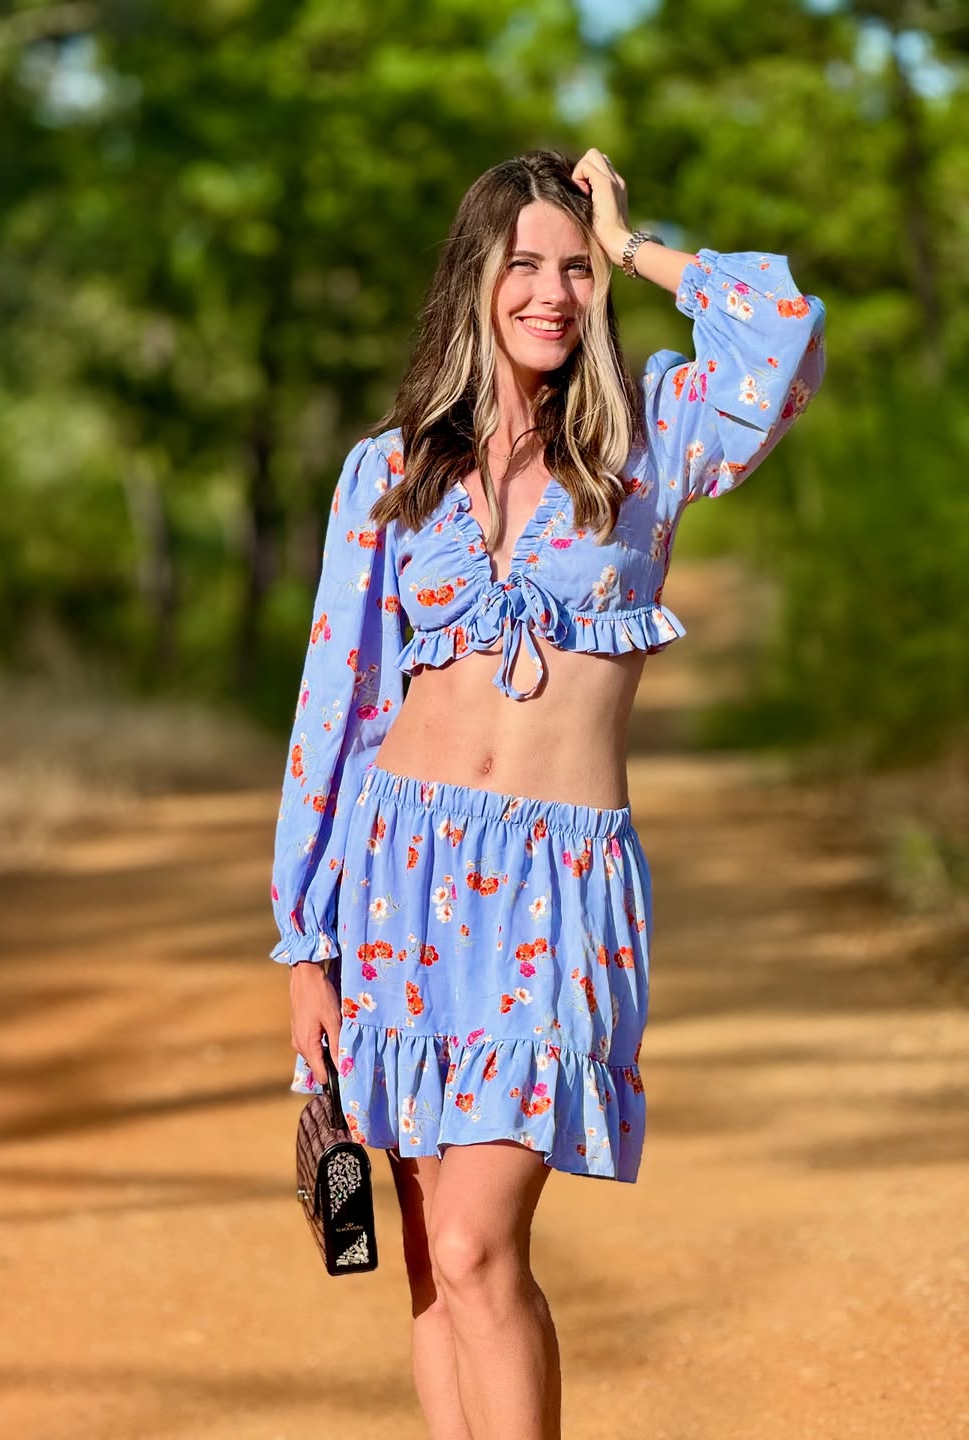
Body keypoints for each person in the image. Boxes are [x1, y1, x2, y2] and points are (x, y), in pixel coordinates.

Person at [269, 147, 826, 1439]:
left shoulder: (654, 438)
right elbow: (335, 709)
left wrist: (636, 242)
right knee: (432, 1256)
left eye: (576, 270)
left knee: (478, 1241)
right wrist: (306, 945)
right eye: (524, 264)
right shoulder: (390, 472)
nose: (553, 293)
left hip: (559, 888)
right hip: (398, 876)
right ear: (474, 280)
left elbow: (783, 330)